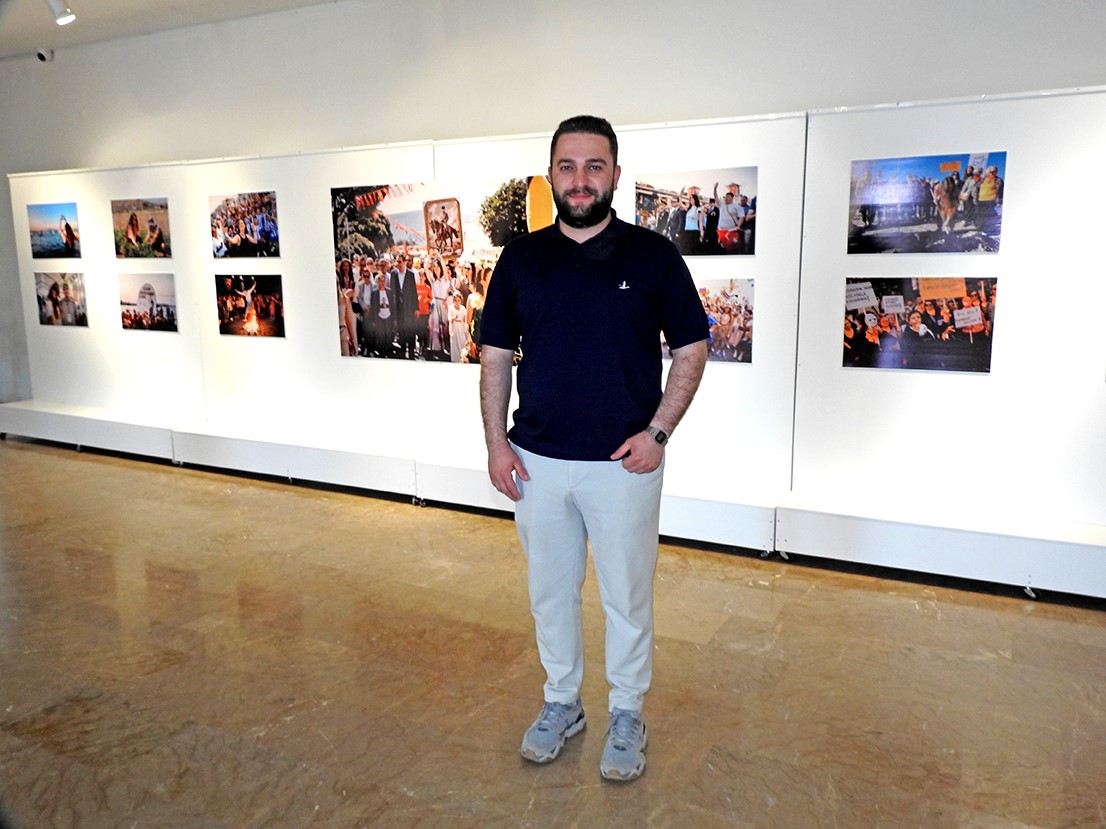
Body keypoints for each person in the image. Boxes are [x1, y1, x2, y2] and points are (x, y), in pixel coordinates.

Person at [479, 115, 708, 783]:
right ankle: (562, 702)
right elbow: (495, 357)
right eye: (568, 166)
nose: (580, 179)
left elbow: (692, 347)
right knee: (550, 594)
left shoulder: (652, 256)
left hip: (622, 467)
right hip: (536, 464)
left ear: (614, 173)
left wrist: (658, 433)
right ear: (551, 174)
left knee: (626, 598)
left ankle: (627, 712)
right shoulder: (521, 259)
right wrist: (496, 445)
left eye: (594, 165)